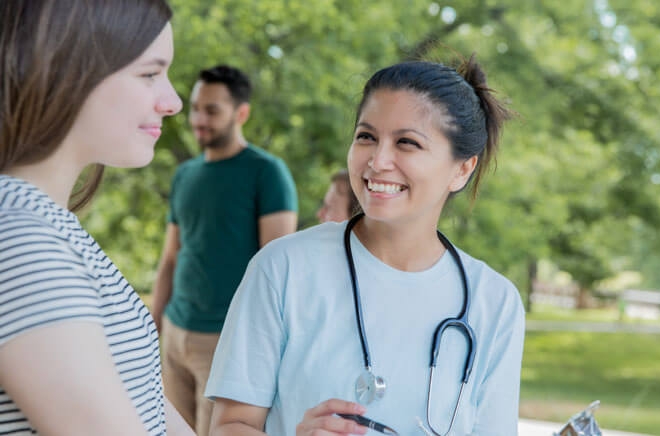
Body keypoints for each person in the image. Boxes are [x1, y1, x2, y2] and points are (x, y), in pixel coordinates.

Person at [206, 56, 525, 435]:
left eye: (406, 143)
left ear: (462, 169)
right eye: (366, 137)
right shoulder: (282, 268)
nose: (377, 160)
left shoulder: (496, 304)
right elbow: (228, 426)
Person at [0, 1, 194, 435]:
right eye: (149, 74)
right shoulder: (20, 239)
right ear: (66, 68)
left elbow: (147, 409)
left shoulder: (44, 226)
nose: (173, 102)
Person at [149, 65, 298, 436]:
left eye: (212, 110)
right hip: (175, 334)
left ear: (241, 113)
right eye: (196, 107)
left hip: (226, 342)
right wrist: (155, 323)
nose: (199, 118)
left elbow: (278, 269)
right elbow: (171, 258)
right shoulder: (185, 175)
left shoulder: (267, 172)